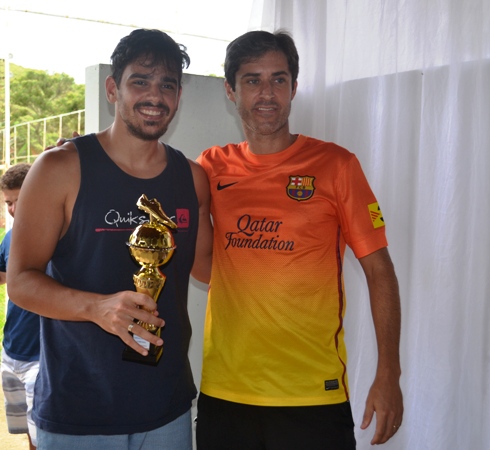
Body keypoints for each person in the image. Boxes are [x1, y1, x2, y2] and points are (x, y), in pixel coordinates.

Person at [195, 30, 403, 449]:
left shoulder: (336, 165)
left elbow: (379, 270)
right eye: (252, 80)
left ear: (293, 87)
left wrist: (389, 373)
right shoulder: (210, 167)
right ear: (231, 91)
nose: (266, 93)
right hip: (225, 394)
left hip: (312, 396)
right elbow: (205, 267)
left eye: (279, 79)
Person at [7, 29, 212, 450]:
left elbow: (212, 268)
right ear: (112, 89)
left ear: (178, 96)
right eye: (141, 80)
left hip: (167, 408)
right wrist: (97, 308)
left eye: (168, 84)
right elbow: (21, 281)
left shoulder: (192, 178)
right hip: (78, 412)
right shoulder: (60, 168)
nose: (155, 95)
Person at [0, 163, 38, 450]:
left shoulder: (61, 236)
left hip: (43, 356)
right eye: (8, 202)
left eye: (19, 200)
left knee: (44, 431)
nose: (13, 209)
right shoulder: (10, 237)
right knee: (26, 429)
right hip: (12, 350)